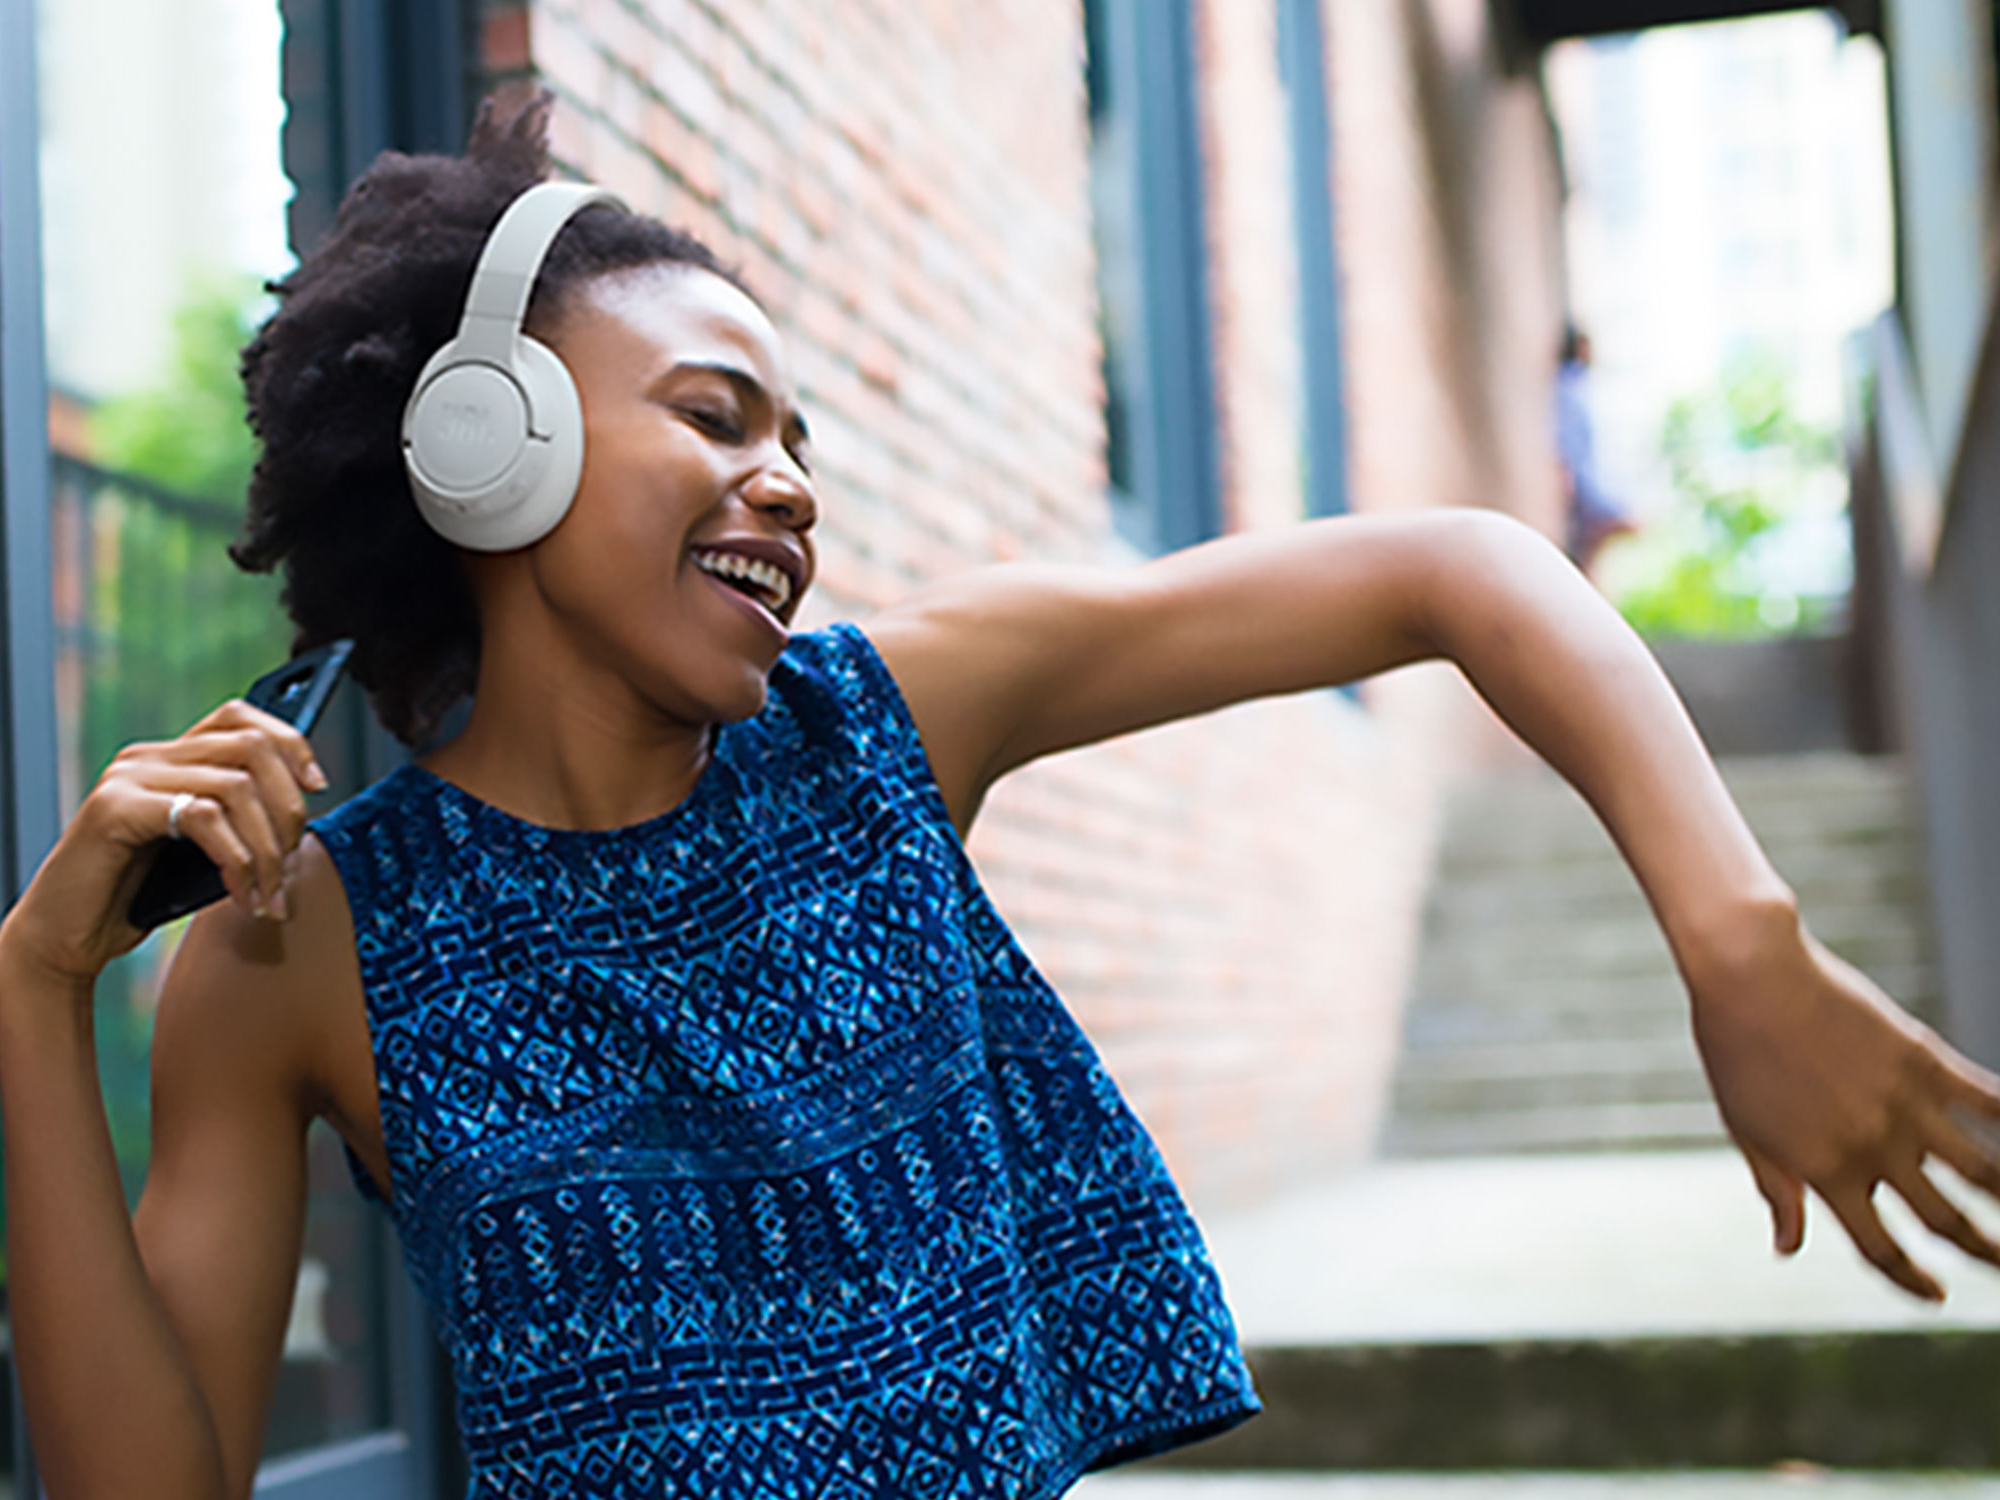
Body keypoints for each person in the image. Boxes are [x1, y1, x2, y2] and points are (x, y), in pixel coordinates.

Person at [4, 93, 1999, 1500]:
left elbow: (1456, 570)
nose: (786, 481)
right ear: (487, 446)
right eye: (714, 416)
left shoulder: (881, 724)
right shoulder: (294, 953)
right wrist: (29, 993)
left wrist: (1738, 945)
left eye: (801, 439)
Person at [1556, 323, 1639, 573]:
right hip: (1584, 484)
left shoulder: (1579, 385)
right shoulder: (1571, 386)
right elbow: (1565, 437)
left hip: (1588, 483)